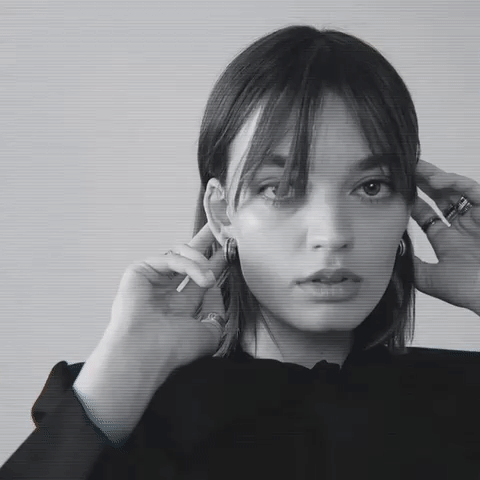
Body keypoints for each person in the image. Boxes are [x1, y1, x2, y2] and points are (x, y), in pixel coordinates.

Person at [1, 24, 480, 480]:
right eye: (280, 188)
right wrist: (125, 370)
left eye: (372, 186)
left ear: (408, 206)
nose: (332, 234)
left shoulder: (462, 399)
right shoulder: (120, 405)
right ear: (222, 211)